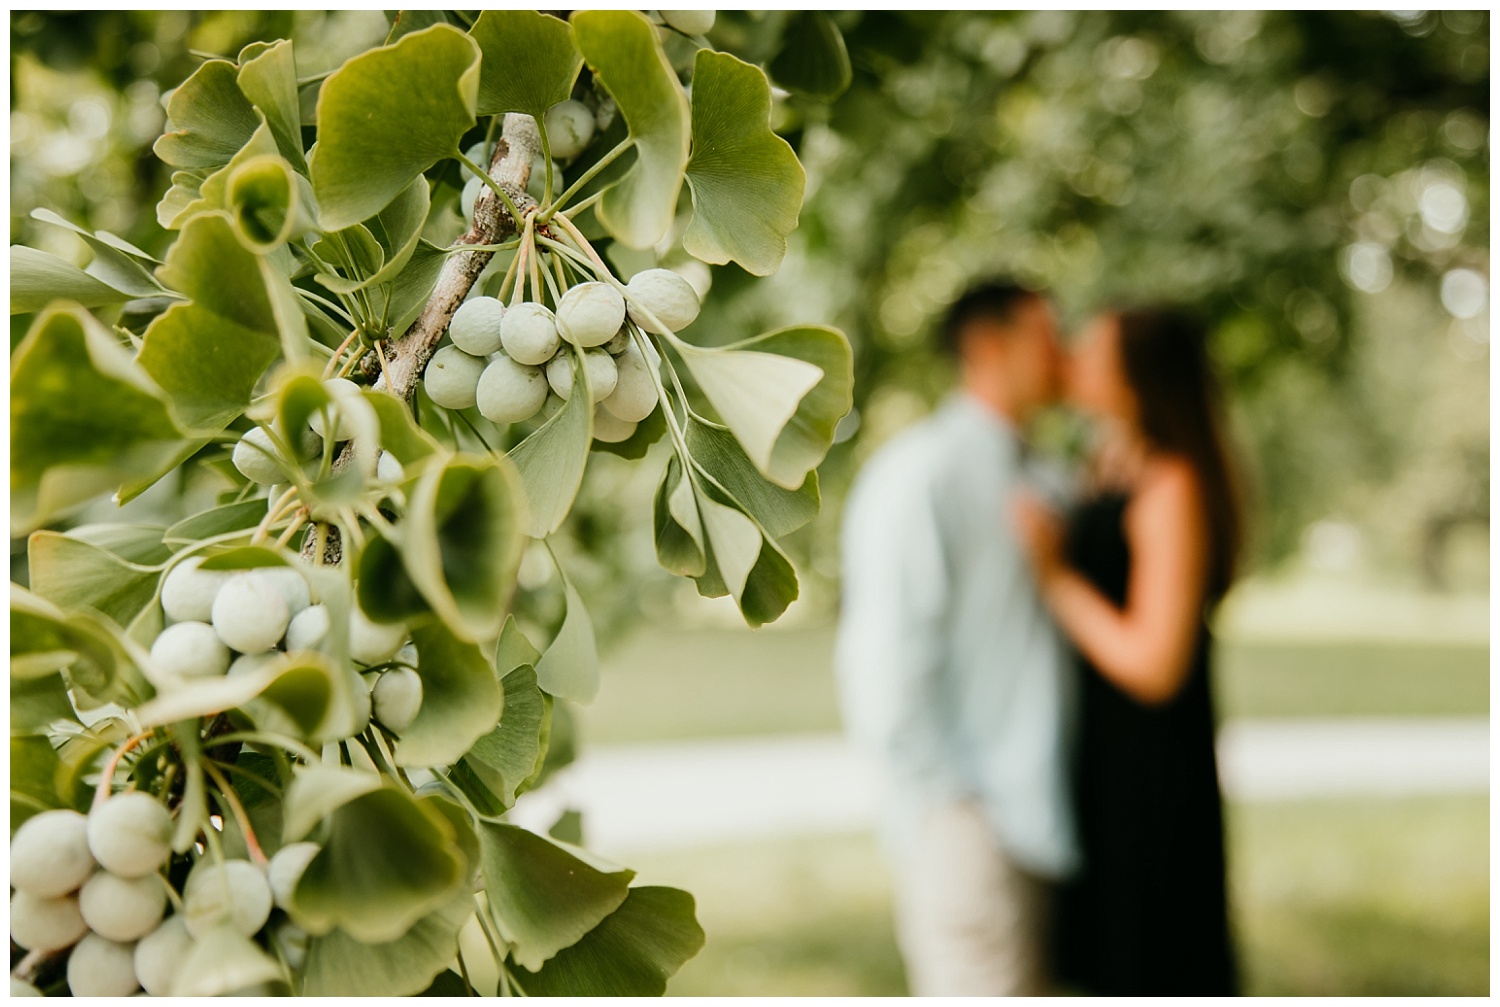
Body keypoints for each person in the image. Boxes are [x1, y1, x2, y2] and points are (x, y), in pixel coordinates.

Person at [834, 280, 1078, 996]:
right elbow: (886, 661)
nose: (1063, 355)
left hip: (1045, 816)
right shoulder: (923, 474)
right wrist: (951, 807)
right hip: (967, 824)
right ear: (986, 344)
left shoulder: (1049, 478)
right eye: (1047, 335)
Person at [1012, 307, 1242, 995]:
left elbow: (1155, 663)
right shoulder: (1109, 461)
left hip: (1152, 768)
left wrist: (1056, 580)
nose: (1072, 357)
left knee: (1152, 958)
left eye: (1092, 350)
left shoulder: (1172, 484)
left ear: (1137, 378)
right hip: (1104, 754)